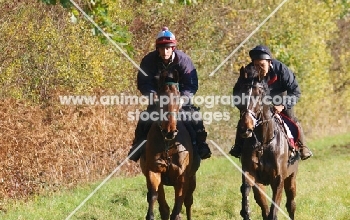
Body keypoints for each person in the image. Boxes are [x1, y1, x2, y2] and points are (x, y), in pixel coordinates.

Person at [128, 27, 212, 161]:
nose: (165, 51)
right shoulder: (149, 61)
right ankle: (137, 146)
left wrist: (183, 99)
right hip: (158, 99)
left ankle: (201, 145)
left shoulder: (184, 61)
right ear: (157, 49)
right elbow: (143, 82)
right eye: (162, 48)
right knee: (145, 118)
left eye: (168, 48)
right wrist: (152, 96)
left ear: (173, 48)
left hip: (179, 99)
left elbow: (192, 83)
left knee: (194, 117)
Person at [229, 44, 313, 160]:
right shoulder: (248, 72)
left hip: (279, 98)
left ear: (269, 62)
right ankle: (238, 146)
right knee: (245, 119)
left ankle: (302, 146)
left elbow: (295, 91)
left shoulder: (282, 70)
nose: (259, 68)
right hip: (257, 101)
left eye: (262, 65)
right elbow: (237, 92)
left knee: (291, 117)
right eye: (256, 65)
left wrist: (282, 105)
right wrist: (245, 108)